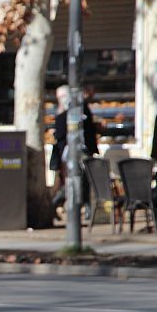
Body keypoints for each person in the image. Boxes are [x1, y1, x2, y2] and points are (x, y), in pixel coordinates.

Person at [50, 86, 98, 215]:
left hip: (77, 152)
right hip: (72, 153)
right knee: (75, 181)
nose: (60, 100)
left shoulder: (70, 113)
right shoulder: (74, 112)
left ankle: (56, 204)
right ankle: (56, 204)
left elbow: (59, 134)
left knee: (78, 180)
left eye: (60, 98)